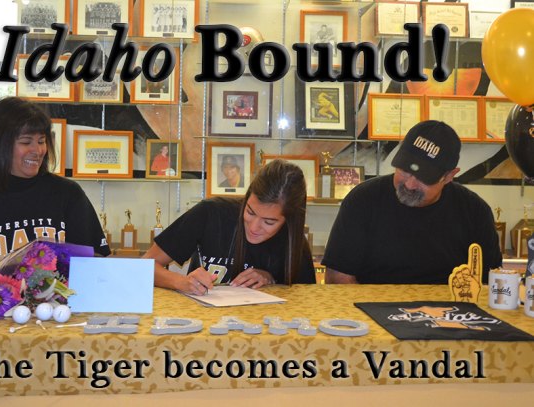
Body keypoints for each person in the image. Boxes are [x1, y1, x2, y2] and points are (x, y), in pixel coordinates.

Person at [322, 120, 502, 284]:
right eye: (404, 170)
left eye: (424, 177)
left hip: (449, 313)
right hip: (370, 309)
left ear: (449, 176)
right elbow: (338, 275)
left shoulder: (474, 211)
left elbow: (489, 279)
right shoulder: (362, 200)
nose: (409, 184)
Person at [0, 97, 111, 261]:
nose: (38, 150)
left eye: (41, 141)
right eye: (26, 142)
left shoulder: (68, 194)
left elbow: (95, 263)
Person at [143, 159, 316, 295]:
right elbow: (145, 265)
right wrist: (181, 282)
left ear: (289, 221)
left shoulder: (294, 241)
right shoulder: (211, 213)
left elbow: (302, 298)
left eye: (269, 222)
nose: (254, 227)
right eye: (250, 212)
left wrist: (271, 279)